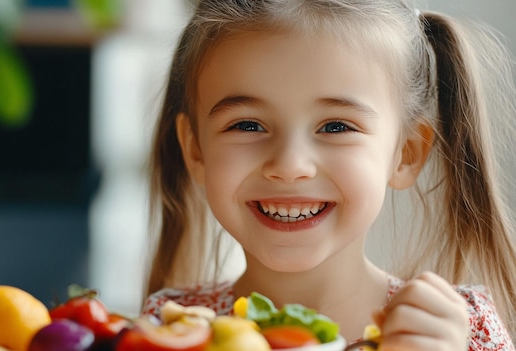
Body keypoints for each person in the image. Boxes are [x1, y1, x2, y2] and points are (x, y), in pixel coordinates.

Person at [141, 0, 516, 349]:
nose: (289, 166)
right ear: (195, 151)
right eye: (248, 125)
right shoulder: (164, 330)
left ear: (406, 154)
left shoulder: (462, 332)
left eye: (336, 127)